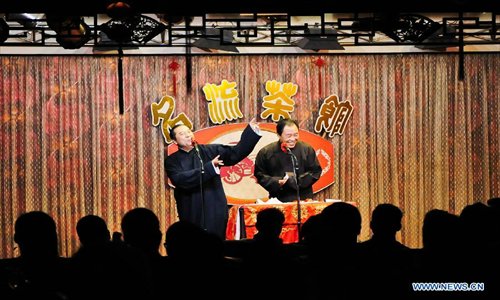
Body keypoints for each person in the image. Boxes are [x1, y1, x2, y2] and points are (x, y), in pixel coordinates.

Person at [165, 118, 261, 239]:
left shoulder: (209, 151)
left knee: (216, 243)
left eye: (189, 131)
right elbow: (180, 180)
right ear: (174, 140)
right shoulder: (172, 160)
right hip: (191, 209)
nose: (187, 135)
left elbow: (235, 153)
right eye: (182, 134)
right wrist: (210, 167)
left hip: (215, 207)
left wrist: (251, 132)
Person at [254, 118, 322, 202]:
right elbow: (260, 174)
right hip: (278, 198)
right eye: (289, 136)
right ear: (279, 135)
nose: (293, 139)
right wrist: (277, 181)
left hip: (303, 198)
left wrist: (295, 181)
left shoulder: (306, 149)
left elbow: (315, 172)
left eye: (296, 135)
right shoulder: (266, 152)